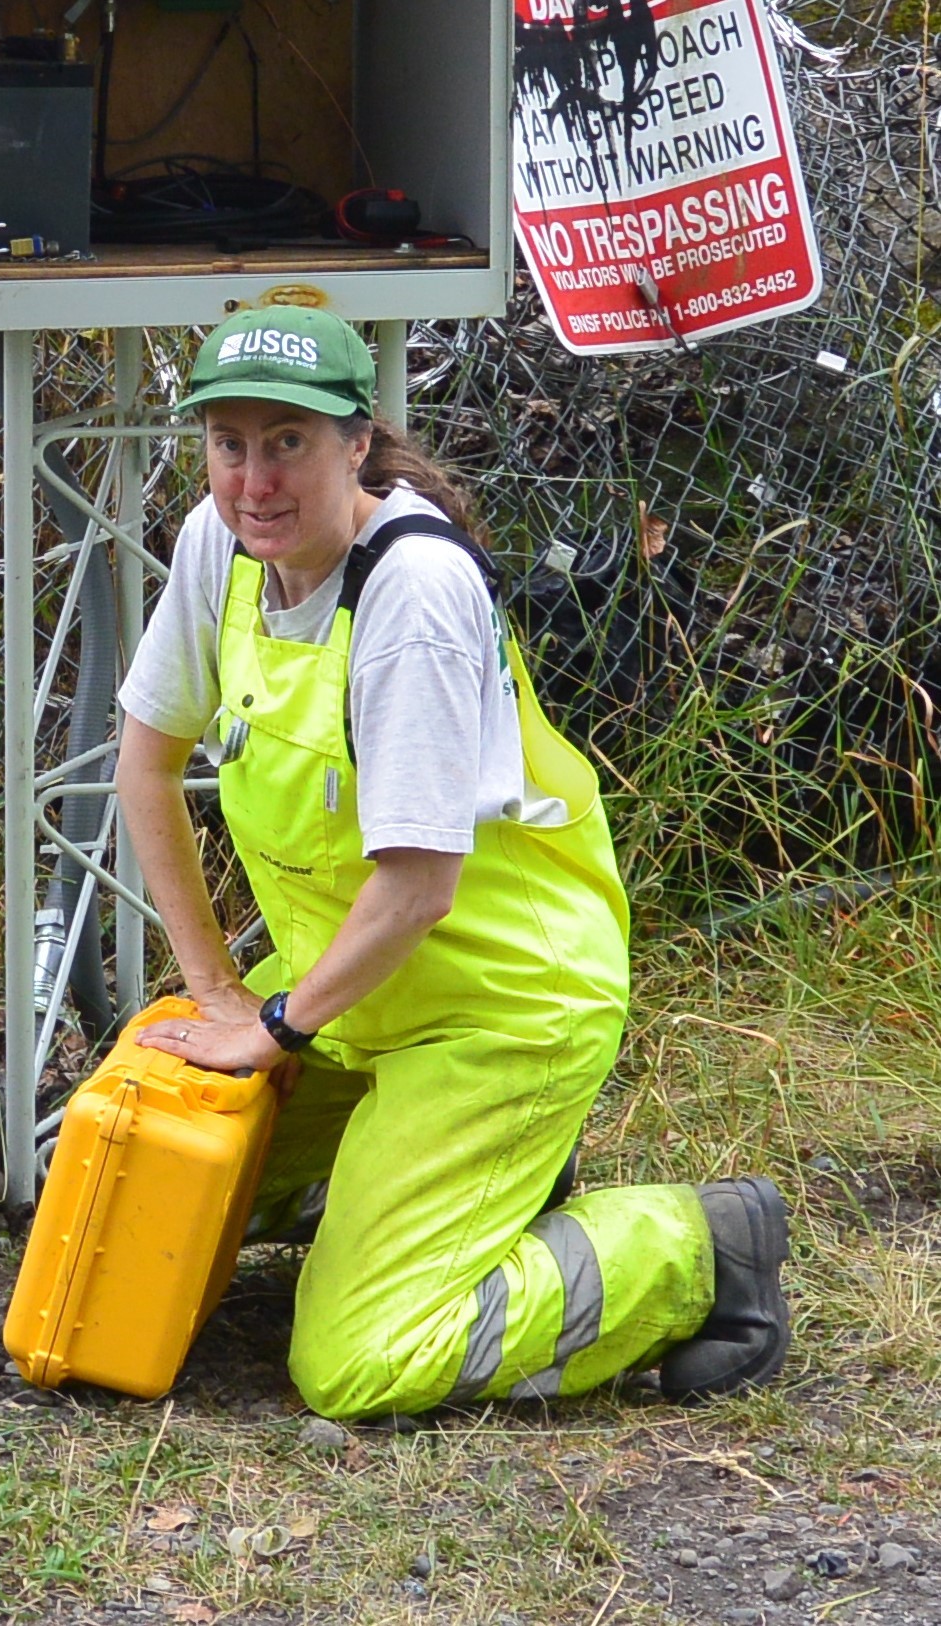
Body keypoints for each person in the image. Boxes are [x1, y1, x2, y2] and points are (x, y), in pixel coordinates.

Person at [114, 304, 790, 1421]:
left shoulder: (413, 593)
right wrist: (218, 993)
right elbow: (145, 768)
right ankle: (470, 1195)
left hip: (496, 1009)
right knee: (151, 1175)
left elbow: (418, 889)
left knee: (359, 1361)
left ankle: (695, 1248)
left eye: (288, 441)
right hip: (348, 1001)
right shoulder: (217, 544)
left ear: (355, 443)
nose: (254, 481)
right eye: (229, 443)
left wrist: (273, 1029)